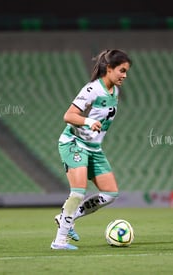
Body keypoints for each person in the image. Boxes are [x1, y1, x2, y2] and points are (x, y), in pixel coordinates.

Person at [51, 49, 132, 250]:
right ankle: (59, 241)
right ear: (110, 68)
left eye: (126, 71)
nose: (125, 75)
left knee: (111, 194)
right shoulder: (92, 90)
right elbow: (68, 116)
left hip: (94, 148)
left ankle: (67, 216)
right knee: (78, 192)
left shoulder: (115, 91)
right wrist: (88, 121)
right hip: (74, 143)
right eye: (121, 70)